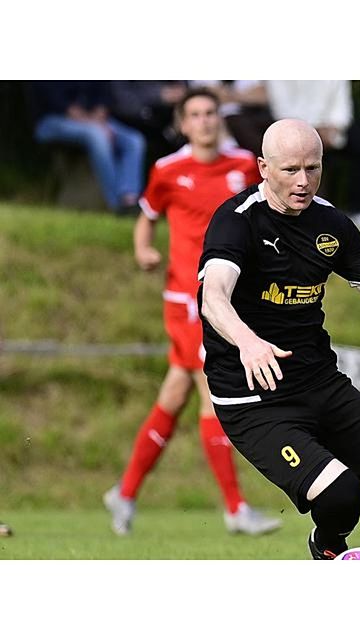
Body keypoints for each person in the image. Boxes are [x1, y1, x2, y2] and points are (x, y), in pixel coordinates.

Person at [197, 119, 360, 560]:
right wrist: (248, 341)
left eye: (313, 168)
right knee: (340, 497)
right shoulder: (236, 221)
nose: (303, 181)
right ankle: (327, 546)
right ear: (263, 167)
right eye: (291, 170)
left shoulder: (331, 223)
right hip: (255, 399)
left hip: (321, 383)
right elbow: (213, 297)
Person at [103, 88, 281, 537]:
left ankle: (124, 493)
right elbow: (147, 215)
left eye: (210, 113)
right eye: (195, 115)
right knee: (211, 391)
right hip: (186, 300)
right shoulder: (168, 170)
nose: (203, 121)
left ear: (219, 118)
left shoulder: (244, 165)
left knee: (175, 394)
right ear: (182, 124)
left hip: (230, 300)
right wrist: (144, 250)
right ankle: (236, 509)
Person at [266, 81, 360, 234]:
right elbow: (281, 108)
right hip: (291, 130)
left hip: (331, 131)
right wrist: (311, 131)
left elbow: (341, 108)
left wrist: (334, 128)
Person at [31, 80, 146, 214]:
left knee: (133, 140)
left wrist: (99, 115)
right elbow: (58, 103)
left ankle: (130, 199)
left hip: (93, 121)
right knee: (97, 135)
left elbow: (104, 96)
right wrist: (94, 123)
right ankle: (116, 205)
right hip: (52, 120)